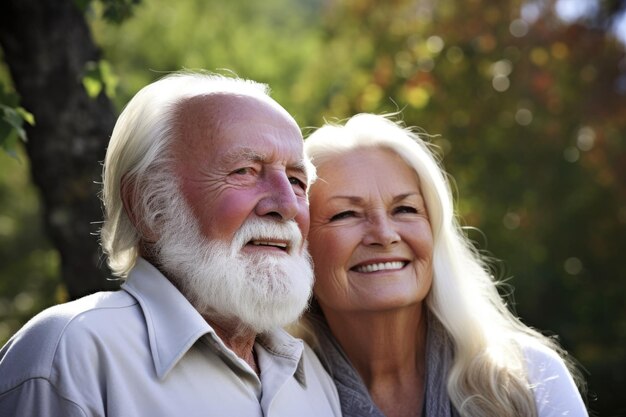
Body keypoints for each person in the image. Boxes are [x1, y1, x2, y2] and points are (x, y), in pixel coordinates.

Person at [0, 71, 341, 417]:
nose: (286, 205)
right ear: (151, 206)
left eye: (297, 181)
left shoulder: (312, 376)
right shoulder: (71, 354)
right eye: (244, 171)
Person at [296, 113, 588, 417]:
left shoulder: (529, 380)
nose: (384, 235)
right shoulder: (272, 395)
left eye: (405, 209)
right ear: (301, 246)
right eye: (345, 214)